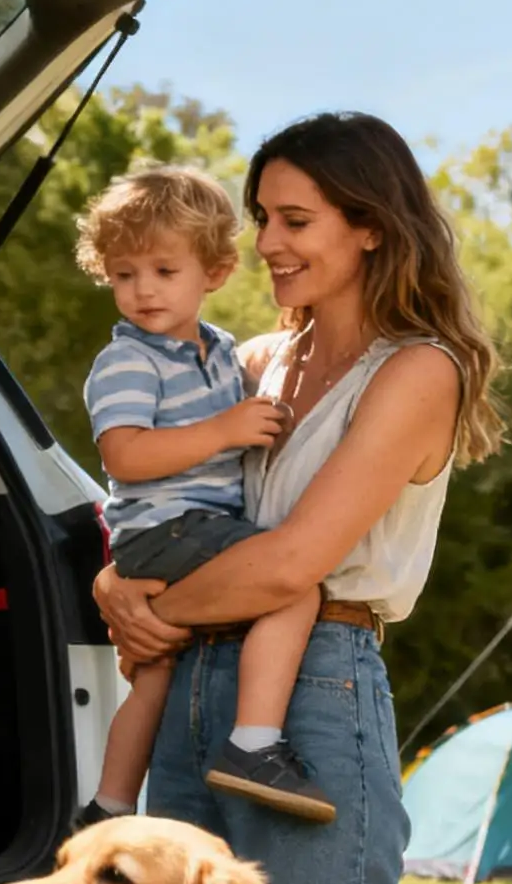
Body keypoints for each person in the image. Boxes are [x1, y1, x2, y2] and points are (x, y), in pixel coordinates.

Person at [90, 112, 501, 884]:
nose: (265, 241)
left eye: (292, 218)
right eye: (261, 217)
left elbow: (289, 561)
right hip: (194, 687)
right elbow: (154, 499)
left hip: (310, 690)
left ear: (367, 225)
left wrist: (154, 616)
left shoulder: (415, 370)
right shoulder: (251, 361)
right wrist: (112, 586)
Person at [76, 164, 333, 829]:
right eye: (124, 273)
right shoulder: (129, 360)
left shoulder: (221, 351)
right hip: (167, 526)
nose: (142, 290)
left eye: (164, 271)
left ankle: (105, 805)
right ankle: (254, 742)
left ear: (213, 272)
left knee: (154, 673)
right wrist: (225, 429)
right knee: (293, 585)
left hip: (180, 530)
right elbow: (124, 454)